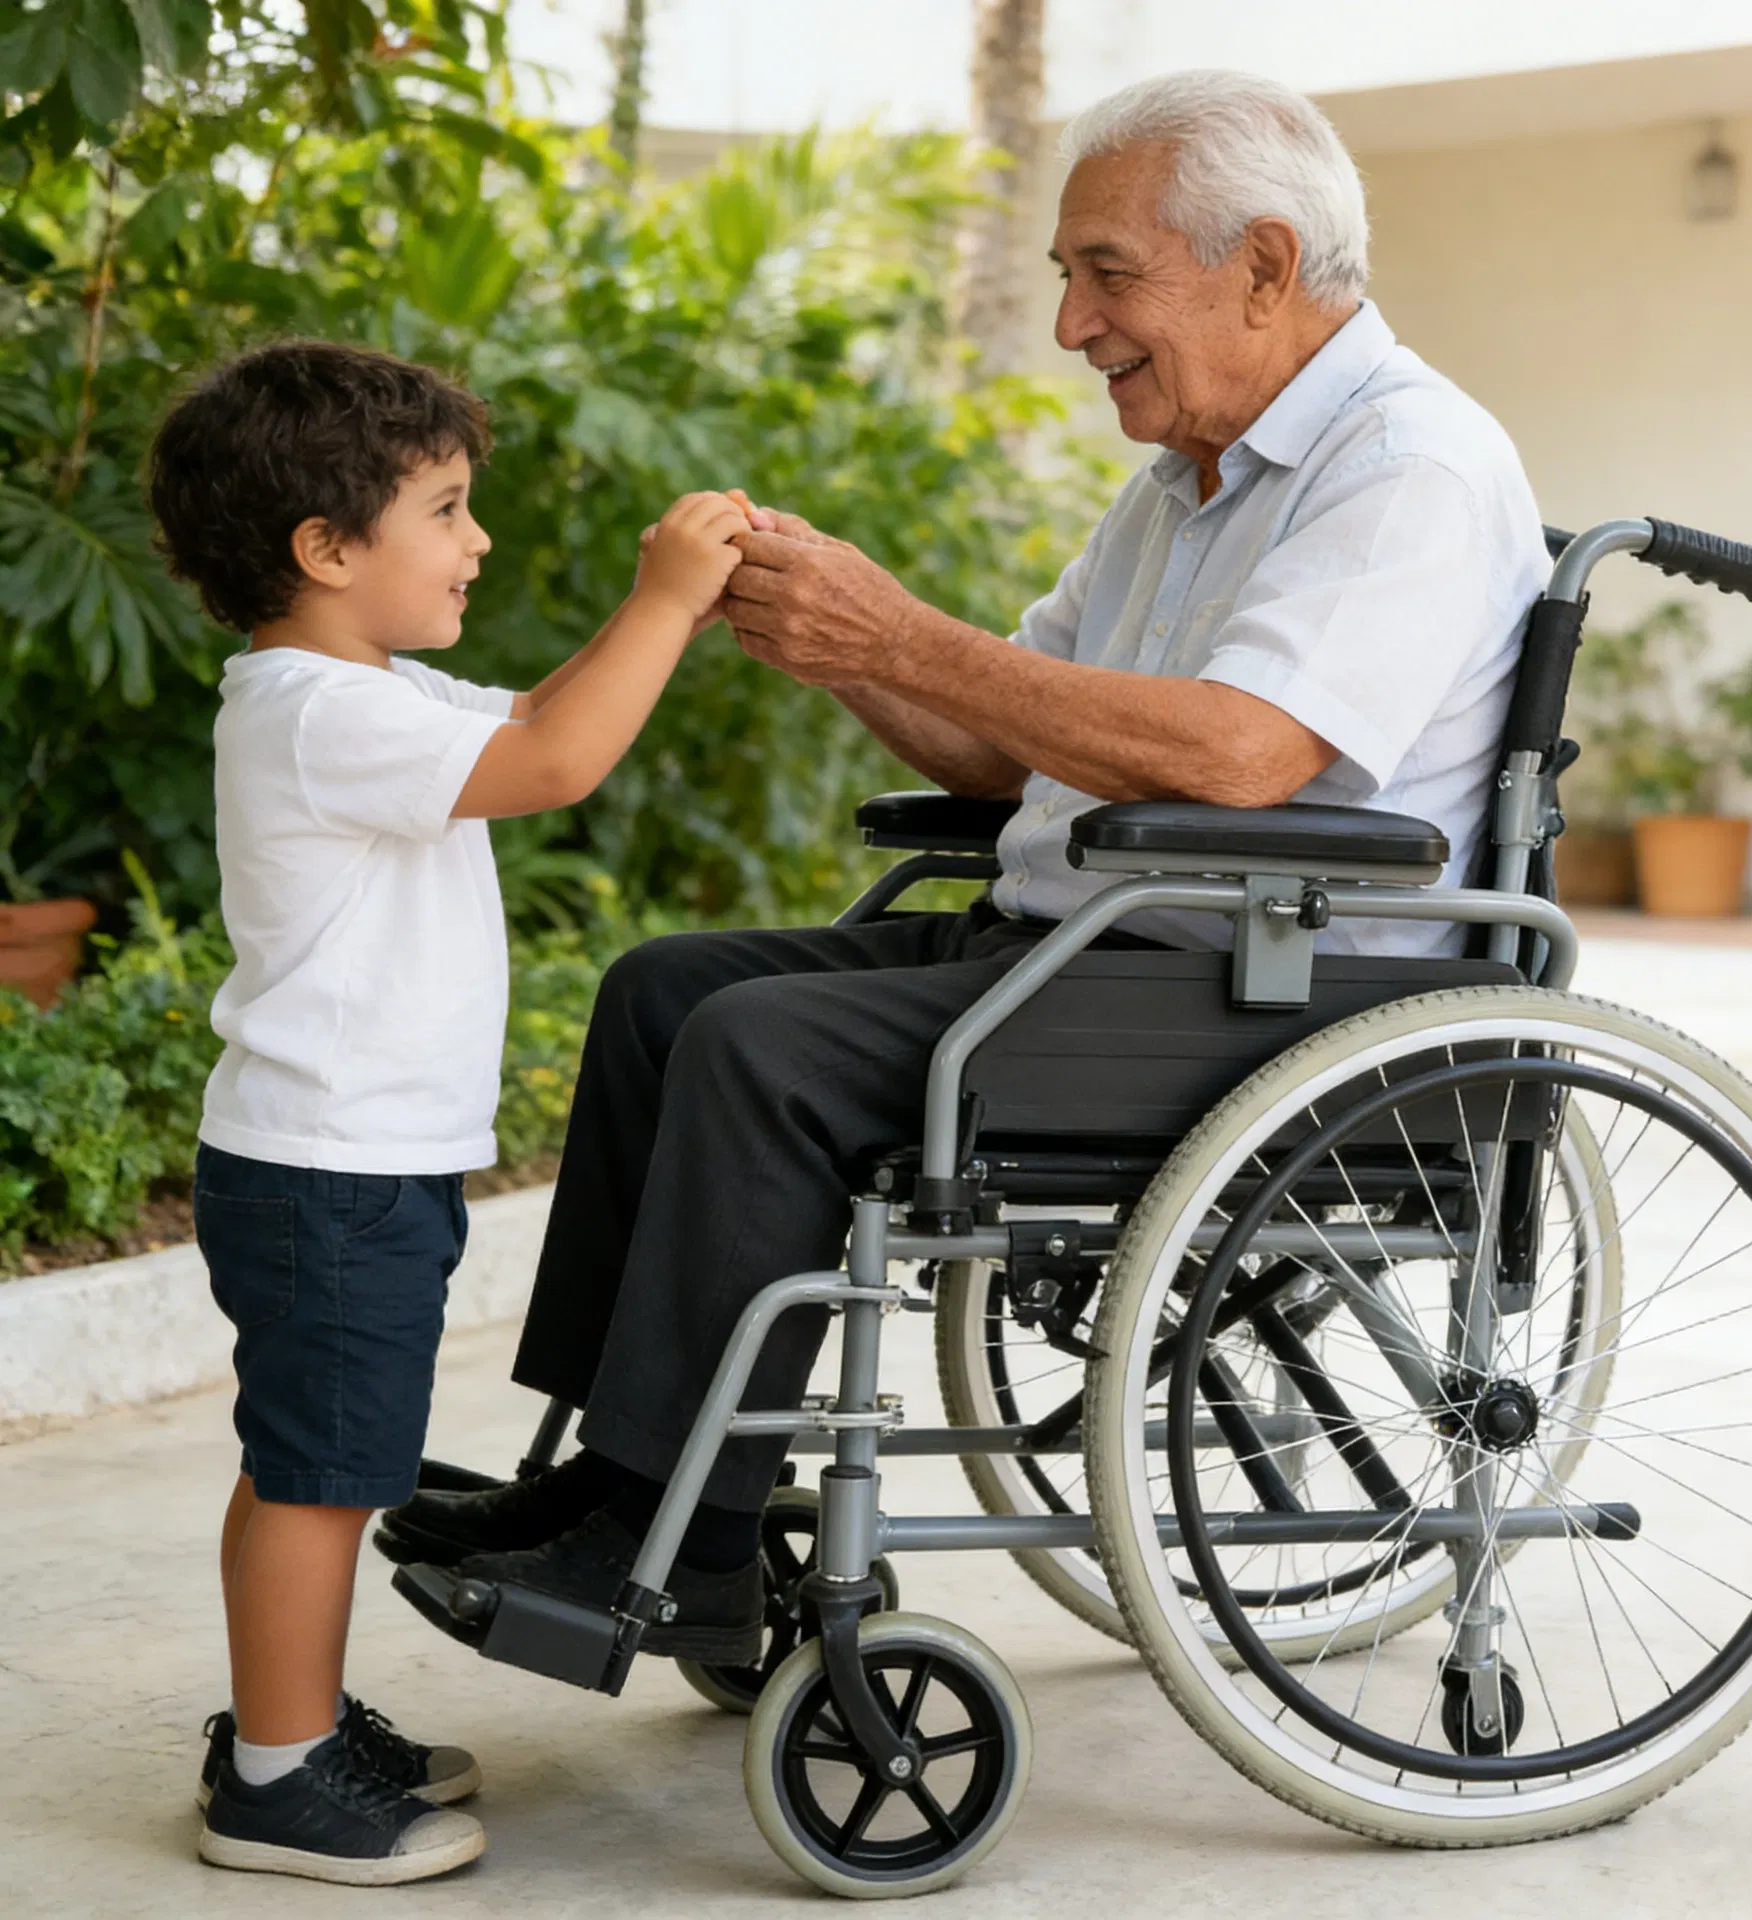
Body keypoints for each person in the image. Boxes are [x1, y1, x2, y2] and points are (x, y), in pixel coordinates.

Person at [378, 69, 1549, 1639]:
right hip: (1088, 955)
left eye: (1106, 272)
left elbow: (1244, 754)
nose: (1074, 325)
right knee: (666, 991)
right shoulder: (1183, 491)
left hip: (1270, 996)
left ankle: (689, 1539)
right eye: (1071, 275)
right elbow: (1008, 744)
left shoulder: (1411, 467)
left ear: (1264, 267)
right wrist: (841, 643)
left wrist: (911, 634)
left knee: (759, 1049)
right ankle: (621, 1479)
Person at [147, 340, 753, 1884]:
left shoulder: (369, 691)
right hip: (327, 1173)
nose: (477, 540)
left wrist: (658, 612)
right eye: (448, 508)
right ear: (327, 550)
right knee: (323, 1473)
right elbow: (553, 759)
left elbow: (532, 709)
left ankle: (285, 1725)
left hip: (349, 1165)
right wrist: (667, 599)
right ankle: (276, 1784)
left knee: (316, 1459)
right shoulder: (313, 710)